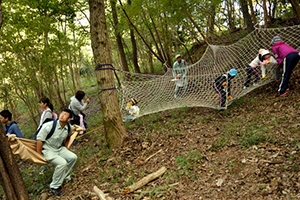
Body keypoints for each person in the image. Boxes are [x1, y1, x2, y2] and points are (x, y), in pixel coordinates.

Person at [36, 109, 77, 196]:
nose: (62, 115)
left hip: (59, 149)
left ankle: (66, 177)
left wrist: (66, 147)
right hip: (47, 150)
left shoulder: (68, 127)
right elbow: (39, 140)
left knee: (73, 157)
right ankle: (54, 186)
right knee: (62, 163)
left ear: (69, 119)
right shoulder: (49, 125)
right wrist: (38, 154)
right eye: (61, 113)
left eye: (65, 114)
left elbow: (69, 136)